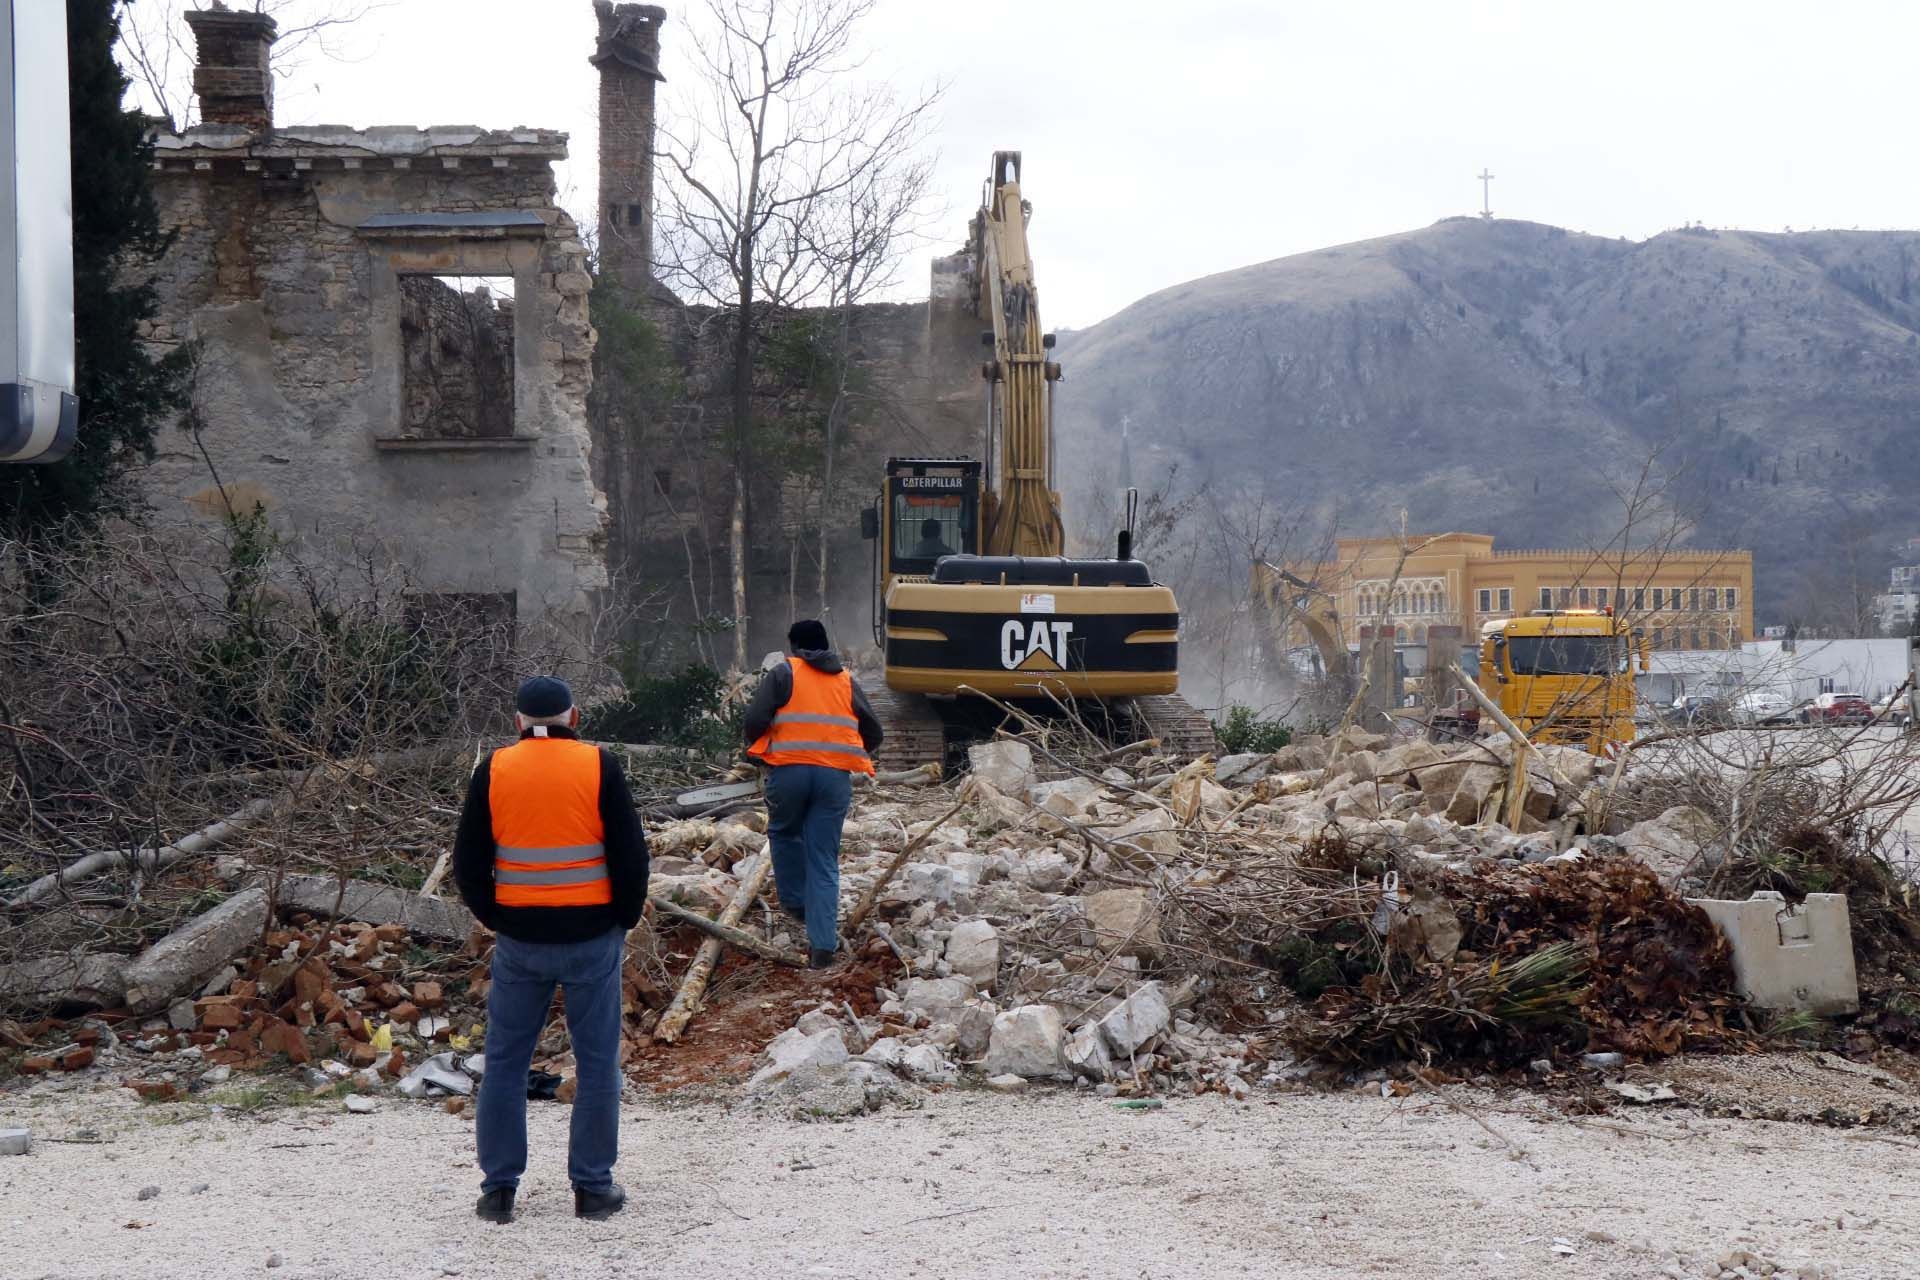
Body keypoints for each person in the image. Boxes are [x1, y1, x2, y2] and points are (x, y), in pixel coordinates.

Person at [453, 676, 648, 1225]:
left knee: (507, 1064)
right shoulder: (599, 764)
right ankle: (592, 1189)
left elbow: (468, 860)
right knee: (597, 1063)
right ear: (575, 716)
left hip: (521, 940)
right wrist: (623, 918)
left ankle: (498, 1192)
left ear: (517, 722)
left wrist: (498, 918)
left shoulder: (493, 769)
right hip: (591, 938)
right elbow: (630, 854)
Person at [743, 620, 883, 968]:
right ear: (826, 645)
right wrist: (846, 752)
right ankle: (822, 946)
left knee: (783, 832)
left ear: (795, 646)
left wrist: (758, 749)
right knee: (823, 859)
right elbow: (874, 731)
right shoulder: (846, 680)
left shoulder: (783, 673)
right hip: (833, 778)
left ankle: (794, 901)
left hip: (789, 772)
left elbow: (755, 718)